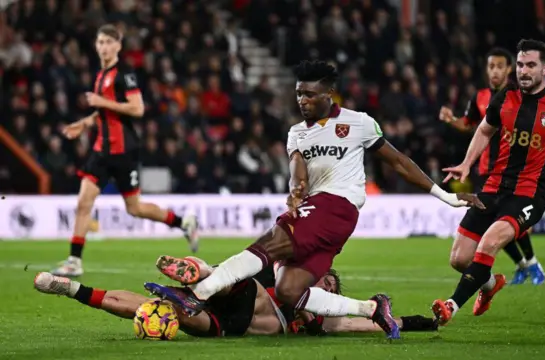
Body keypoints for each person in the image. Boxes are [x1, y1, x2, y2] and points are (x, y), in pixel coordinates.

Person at [150, 60, 483, 340]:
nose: (302, 100)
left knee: (267, 247)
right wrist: (295, 190)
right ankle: (372, 308)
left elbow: (398, 162)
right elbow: (297, 168)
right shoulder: (298, 131)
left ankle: (199, 294)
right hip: (321, 212)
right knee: (288, 289)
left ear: (328, 94)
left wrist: (446, 196)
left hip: (336, 205)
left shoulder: (359, 122)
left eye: (309, 94)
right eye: (298, 93)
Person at [431, 39, 545, 326]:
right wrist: (466, 164)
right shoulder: (504, 98)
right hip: (493, 186)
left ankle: (451, 305)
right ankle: (489, 285)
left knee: (490, 242)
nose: (523, 70)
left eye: (530, 65)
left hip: (529, 193)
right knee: (460, 260)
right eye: (521, 64)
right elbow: (484, 131)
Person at [51, 24, 198, 277]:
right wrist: (85, 122)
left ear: (118, 45)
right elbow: (105, 111)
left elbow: (137, 108)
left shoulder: (124, 74)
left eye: (109, 42)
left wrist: (100, 102)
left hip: (123, 151)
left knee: (135, 208)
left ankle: (182, 222)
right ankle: (74, 260)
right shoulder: (101, 75)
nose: (104, 47)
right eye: (100, 42)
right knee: (84, 201)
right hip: (101, 151)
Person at [34, 257, 438, 337]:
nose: (326, 287)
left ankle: (70, 288)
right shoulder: (283, 279)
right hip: (249, 296)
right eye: (323, 280)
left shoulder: (325, 317)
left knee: (158, 312)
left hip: (230, 325)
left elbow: (366, 321)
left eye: (330, 286)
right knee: (226, 277)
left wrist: (422, 322)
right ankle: (197, 272)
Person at [440, 48, 545, 285]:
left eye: (499, 66)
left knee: (513, 222)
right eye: (491, 67)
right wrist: (451, 120)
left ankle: (532, 262)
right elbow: (470, 125)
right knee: (493, 225)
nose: (495, 71)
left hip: (514, 171)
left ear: (509, 69)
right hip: (486, 170)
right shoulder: (479, 97)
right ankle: (523, 265)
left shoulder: (521, 97)